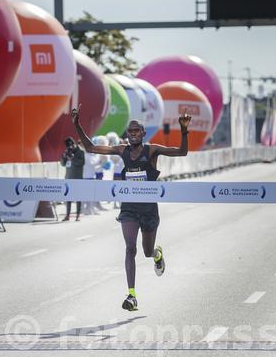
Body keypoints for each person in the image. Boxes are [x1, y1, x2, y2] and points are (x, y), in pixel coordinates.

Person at [71, 105, 191, 311]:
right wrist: (76, 125)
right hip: (129, 208)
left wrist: (183, 130)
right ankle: (132, 295)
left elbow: (182, 152)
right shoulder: (121, 149)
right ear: (127, 134)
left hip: (148, 210)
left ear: (143, 134)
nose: (133, 134)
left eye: (137, 131)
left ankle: (157, 255)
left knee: (146, 251)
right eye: (130, 131)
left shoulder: (151, 150)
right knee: (130, 248)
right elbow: (91, 148)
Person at [60, 137, 85, 221]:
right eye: (68, 147)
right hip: (68, 177)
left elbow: (82, 163)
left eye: (71, 146)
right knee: (68, 197)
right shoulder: (67, 151)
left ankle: (78, 214)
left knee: (78, 197)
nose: (70, 148)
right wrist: (64, 157)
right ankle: (67, 215)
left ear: (74, 144)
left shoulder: (80, 152)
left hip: (78, 177)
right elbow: (63, 164)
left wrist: (72, 158)